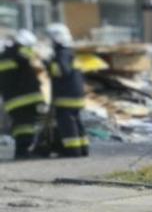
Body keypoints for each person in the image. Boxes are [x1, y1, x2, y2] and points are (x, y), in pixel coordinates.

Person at [0, 30, 46, 160]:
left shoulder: (3, 56)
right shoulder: (22, 52)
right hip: (28, 98)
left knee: (19, 124)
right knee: (27, 125)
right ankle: (23, 151)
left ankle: (21, 150)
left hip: (11, 100)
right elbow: (33, 59)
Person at [45, 23, 88, 157]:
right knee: (77, 122)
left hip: (66, 97)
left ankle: (73, 152)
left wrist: (47, 64)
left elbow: (62, 71)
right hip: (76, 95)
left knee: (68, 125)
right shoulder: (70, 52)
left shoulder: (61, 53)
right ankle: (83, 150)